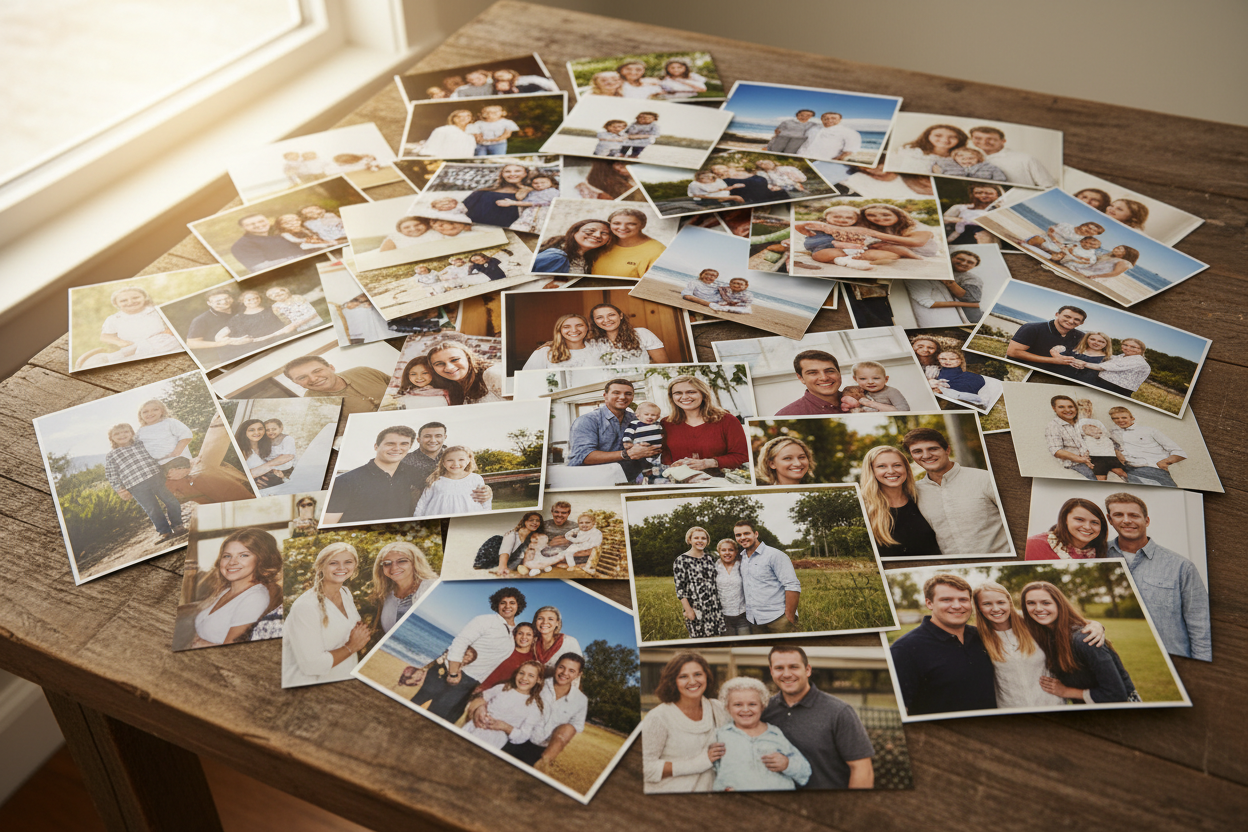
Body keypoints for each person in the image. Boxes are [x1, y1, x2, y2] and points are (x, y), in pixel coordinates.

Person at [1104, 493, 1211, 661]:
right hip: (1116, 661)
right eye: (1118, 515)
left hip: (1174, 661)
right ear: (1109, 520)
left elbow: (1201, 627)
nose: (1126, 520)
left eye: (1133, 515)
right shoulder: (1095, 554)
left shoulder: (1181, 566)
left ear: (1146, 520)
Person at [762, 646, 876, 789]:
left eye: (793, 667)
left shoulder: (839, 712)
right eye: (779, 668)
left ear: (808, 670)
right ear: (771, 671)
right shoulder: (763, 710)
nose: (786, 674)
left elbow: (862, 769)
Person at [889, 573, 997, 715]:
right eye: (947, 600)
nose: (957, 606)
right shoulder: (905, 649)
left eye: (963, 599)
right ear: (929, 603)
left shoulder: (984, 637)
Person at [1020, 581, 1138, 703]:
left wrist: (1066, 691)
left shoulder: (1085, 640)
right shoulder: (1046, 635)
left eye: (1046, 603)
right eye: (1031, 603)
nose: (1038, 608)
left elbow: (1116, 694)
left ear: (1059, 605)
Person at [902, 428, 1010, 556]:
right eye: (917, 451)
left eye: (933, 448)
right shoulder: (914, 492)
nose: (926, 455)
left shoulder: (985, 479)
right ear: (912, 456)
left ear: (947, 450)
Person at [281, 542, 371, 687]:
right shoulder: (306, 606)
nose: (342, 568)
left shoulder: (345, 593)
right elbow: (312, 665)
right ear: (321, 567)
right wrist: (352, 646)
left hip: (342, 678)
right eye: (333, 563)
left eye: (348, 562)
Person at [640, 652, 728, 794]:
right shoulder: (658, 717)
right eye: (683, 676)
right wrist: (700, 763)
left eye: (698, 674)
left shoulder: (718, 708)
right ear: (673, 681)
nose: (692, 681)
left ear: (707, 676)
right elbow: (646, 768)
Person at [971, 582, 1066, 708]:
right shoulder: (977, 637)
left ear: (1009, 602)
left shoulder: (1033, 623)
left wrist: (1095, 625)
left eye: (1001, 602)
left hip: (1052, 705)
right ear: (978, 607)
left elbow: (1068, 624)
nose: (995, 608)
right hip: (1011, 712)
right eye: (987, 604)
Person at [712, 676, 812, 792]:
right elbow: (713, 773)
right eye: (738, 705)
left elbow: (805, 771)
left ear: (762, 706)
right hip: (739, 804)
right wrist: (722, 789)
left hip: (777, 803)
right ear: (727, 708)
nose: (745, 709)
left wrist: (787, 764)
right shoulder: (721, 736)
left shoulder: (774, 734)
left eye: (752, 704)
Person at [188, 529, 282, 649]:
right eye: (227, 556)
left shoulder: (255, 598)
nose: (232, 562)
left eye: (243, 555)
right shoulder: (225, 591)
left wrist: (203, 644)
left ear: (261, 560)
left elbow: (233, 649)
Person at [501, 652, 588, 771]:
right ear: (556, 667)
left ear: (578, 674)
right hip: (516, 739)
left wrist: (554, 747)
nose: (564, 673)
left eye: (571, 671)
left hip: (541, 749)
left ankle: (545, 761)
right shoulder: (538, 683)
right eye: (561, 667)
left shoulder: (581, 700)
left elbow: (574, 728)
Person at [322, 426, 426, 524]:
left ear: (410, 447)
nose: (397, 448)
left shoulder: (411, 473)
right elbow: (328, 524)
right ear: (376, 446)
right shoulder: (345, 482)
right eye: (390, 444)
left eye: (404, 444)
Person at [103, 423, 185, 541]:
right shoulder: (112, 455)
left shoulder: (142, 444)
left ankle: (178, 525)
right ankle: (164, 531)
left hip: (156, 477)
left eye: (126, 432)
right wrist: (119, 489)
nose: (122, 435)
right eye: (117, 434)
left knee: (171, 501)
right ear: (111, 438)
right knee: (152, 509)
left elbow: (157, 452)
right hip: (135, 486)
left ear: (132, 433)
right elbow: (111, 474)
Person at [444, 587, 527, 700]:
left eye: (512, 603)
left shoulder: (516, 632)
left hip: (473, 683)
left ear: (518, 606)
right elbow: (461, 641)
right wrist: (453, 673)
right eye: (503, 603)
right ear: (497, 604)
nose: (507, 606)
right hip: (458, 674)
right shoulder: (485, 620)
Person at [858, 445, 940, 558]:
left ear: (906, 468)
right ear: (871, 471)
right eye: (882, 466)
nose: (891, 471)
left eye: (897, 465)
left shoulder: (923, 499)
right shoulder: (862, 508)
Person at [660, 375, 749, 477]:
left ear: (703, 394)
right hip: (684, 483)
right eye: (678, 393)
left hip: (722, 481)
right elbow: (666, 459)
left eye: (691, 392)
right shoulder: (666, 423)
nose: (684, 397)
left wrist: (708, 463)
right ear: (672, 397)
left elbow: (742, 457)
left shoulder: (727, 420)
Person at [567, 379, 657, 479]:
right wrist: (627, 454)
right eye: (616, 393)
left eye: (628, 394)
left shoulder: (636, 420)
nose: (622, 397)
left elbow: (647, 448)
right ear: (605, 396)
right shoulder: (587, 421)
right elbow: (583, 456)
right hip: (594, 481)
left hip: (629, 481)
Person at [84, 286, 179, 367]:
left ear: (144, 297)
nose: (130, 302)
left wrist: (169, 331)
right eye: (123, 300)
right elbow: (105, 336)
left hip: (161, 341)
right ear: (116, 304)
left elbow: (174, 323)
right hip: (132, 346)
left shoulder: (155, 311)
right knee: (126, 356)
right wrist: (120, 342)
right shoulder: (114, 318)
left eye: (136, 298)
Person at [461, 661, 547, 749]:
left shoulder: (534, 707)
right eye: (521, 673)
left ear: (538, 679)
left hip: (493, 741)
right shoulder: (502, 688)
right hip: (473, 728)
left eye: (531, 675)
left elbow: (523, 736)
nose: (524, 678)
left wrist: (506, 727)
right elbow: (481, 699)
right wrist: (480, 708)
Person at [735, 520, 800, 634]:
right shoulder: (742, 558)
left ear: (756, 534)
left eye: (746, 533)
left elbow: (792, 586)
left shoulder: (775, 555)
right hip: (754, 621)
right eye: (738, 535)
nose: (742, 537)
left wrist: (789, 617)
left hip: (778, 619)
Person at [283, 355, 389, 416]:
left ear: (331, 368)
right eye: (302, 377)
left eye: (317, 371)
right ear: (296, 383)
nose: (313, 379)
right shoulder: (311, 404)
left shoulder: (363, 371)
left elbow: (402, 386)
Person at [370, 541, 437, 635]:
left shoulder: (432, 588)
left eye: (402, 561)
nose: (394, 568)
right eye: (387, 563)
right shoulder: (387, 595)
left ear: (415, 562)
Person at [1107, 406, 1186, 486]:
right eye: (1115, 418)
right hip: (1129, 469)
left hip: (1152, 469)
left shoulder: (1148, 430)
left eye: (1124, 417)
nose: (1120, 420)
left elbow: (1179, 452)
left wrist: (1163, 462)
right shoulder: (1112, 432)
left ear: (1132, 418)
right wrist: (1117, 452)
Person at [1006, 304, 1087, 378]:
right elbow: (1013, 352)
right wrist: (1053, 360)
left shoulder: (1081, 336)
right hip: (1021, 372)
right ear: (1057, 314)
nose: (1071, 321)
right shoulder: (1032, 328)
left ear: (1081, 322)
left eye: (1076, 319)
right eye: (1067, 316)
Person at [674, 527, 726, 639]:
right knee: (699, 641)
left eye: (703, 538)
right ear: (689, 540)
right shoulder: (681, 560)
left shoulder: (711, 558)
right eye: (696, 538)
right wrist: (688, 611)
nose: (700, 540)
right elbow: (680, 588)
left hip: (714, 608)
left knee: (717, 640)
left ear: (707, 541)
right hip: (696, 608)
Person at [413, 445, 491, 517]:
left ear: (468, 461)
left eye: (461, 459)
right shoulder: (435, 480)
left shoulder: (476, 479)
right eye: (450, 460)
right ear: (443, 463)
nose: (455, 464)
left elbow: (485, 502)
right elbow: (422, 504)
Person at [775, 350, 859, 416]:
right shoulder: (788, 414)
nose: (824, 378)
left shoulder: (865, 398)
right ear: (801, 378)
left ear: (839, 373)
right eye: (812, 372)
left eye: (829, 371)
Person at [968, 125, 1057, 188]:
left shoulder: (1025, 159)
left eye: (990, 139)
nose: (984, 142)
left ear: (1003, 141)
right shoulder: (967, 159)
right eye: (978, 138)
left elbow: (1048, 185)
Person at [591, 208, 667, 279]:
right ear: (610, 224)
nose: (623, 228)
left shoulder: (658, 251)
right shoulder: (603, 242)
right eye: (616, 223)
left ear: (642, 225)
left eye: (631, 224)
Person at [185, 290, 254, 366]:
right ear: (209, 303)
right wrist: (221, 343)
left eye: (227, 298)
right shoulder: (201, 320)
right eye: (218, 301)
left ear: (231, 299)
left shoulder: (242, 308)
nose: (224, 302)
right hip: (225, 359)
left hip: (251, 348)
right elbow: (191, 343)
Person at [1025, 497, 1109, 560]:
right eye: (1079, 519)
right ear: (1065, 519)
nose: (1087, 527)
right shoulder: (1033, 545)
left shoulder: (1104, 551)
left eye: (1094, 522)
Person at [588, 301, 668, 365]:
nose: (606, 320)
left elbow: (663, 364)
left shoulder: (642, 333)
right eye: (599, 317)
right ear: (594, 321)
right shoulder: (593, 343)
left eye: (611, 315)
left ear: (621, 316)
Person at [426, 340, 505, 404]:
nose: (449, 368)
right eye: (439, 364)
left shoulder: (492, 374)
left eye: (455, 360)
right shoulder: (442, 386)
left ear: (468, 358)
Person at [521, 313, 604, 370]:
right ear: (559, 330)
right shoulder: (545, 352)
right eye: (566, 327)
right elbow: (528, 380)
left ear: (587, 328)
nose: (574, 330)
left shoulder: (598, 349)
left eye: (579, 325)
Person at [1044, 394, 1098, 481]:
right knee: (1094, 479)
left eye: (1070, 406)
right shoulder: (1053, 426)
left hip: (1091, 458)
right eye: (1061, 407)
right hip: (1076, 464)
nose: (1067, 410)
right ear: (1054, 408)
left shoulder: (1080, 423)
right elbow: (1057, 451)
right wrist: (1081, 459)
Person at [1073, 399, 1129, 481]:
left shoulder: (1097, 422)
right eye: (1084, 409)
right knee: (1101, 476)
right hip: (1095, 455)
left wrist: (1117, 449)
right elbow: (1084, 435)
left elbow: (1107, 435)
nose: (1087, 411)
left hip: (1109, 453)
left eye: (1089, 409)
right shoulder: (1079, 423)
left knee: (1121, 472)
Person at [229, 213, 305, 273]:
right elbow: (260, 267)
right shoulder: (241, 245)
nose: (258, 225)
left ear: (268, 221)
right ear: (243, 228)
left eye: (261, 221)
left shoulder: (282, 232)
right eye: (251, 224)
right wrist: (299, 257)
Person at [463, 163, 533, 227]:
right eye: (507, 172)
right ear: (502, 174)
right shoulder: (484, 191)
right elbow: (462, 209)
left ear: (525, 174)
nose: (512, 174)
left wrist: (524, 188)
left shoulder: (532, 193)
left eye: (517, 171)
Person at [534, 219, 613, 275]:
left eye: (604, 233)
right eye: (591, 230)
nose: (597, 235)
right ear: (574, 232)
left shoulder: (587, 259)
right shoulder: (556, 257)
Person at [1079, 337, 1152, 397]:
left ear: (1141, 350)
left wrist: (1083, 363)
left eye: (1133, 347)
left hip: (1116, 390)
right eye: (1125, 345)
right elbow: (1105, 358)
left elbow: (1102, 367)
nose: (1128, 348)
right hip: (1103, 385)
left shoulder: (1138, 361)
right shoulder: (1121, 356)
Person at [894, 124, 968, 173]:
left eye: (952, 137)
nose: (945, 140)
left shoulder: (963, 158)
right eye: (938, 135)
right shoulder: (910, 152)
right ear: (928, 136)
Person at [491, 511, 544, 577]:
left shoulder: (533, 536)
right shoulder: (512, 535)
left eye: (537, 521)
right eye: (531, 520)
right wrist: (503, 567)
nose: (535, 523)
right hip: (508, 564)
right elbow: (505, 552)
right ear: (525, 522)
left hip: (521, 565)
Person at [713, 539, 749, 636]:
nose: (727, 553)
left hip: (742, 614)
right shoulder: (714, 567)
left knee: (746, 644)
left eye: (731, 550)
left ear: (736, 552)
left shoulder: (742, 565)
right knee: (731, 647)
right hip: (724, 617)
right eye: (723, 550)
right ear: (719, 552)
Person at [234, 419, 284, 489]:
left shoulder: (268, 447)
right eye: (252, 430)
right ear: (244, 432)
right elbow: (236, 476)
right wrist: (251, 484)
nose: (257, 432)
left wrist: (279, 474)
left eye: (260, 429)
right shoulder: (241, 451)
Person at [622, 401, 664, 480]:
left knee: (658, 465)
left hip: (657, 450)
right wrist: (627, 442)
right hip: (642, 449)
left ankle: (657, 477)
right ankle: (645, 477)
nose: (650, 417)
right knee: (644, 465)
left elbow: (662, 434)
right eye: (646, 414)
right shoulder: (635, 424)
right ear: (638, 416)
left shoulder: (658, 425)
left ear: (658, 416)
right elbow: (628, 433)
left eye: (653, 415)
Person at [796, 112, 861, 161]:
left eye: (833, 118)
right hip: (800, 156)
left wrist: (834, 161)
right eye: (826, 118)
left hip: (823, 160)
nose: (829, 120)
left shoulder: (849, 132)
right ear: (821, 119)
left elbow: (849, 151)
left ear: (840, 119)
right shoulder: (813, 128)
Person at [932, 146, 1006, 180]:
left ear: (979, 159)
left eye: (971, 158)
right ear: (954, 159)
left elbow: (1000, 178)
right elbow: (936, 170)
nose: (967, 160)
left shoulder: (989, 167)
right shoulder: (948, 165)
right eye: (963, 158)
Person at [1072, 245, 1140, 281]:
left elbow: (1115, 273)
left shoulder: (1124, 262)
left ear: (1126, 254)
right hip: (1090, 270)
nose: (1115, 249)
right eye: (1117, 247)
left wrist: (1096, 276)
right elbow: (1095, 259)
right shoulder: (1109, 256)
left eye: (1119, 249)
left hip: (1099, 276)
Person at [379, 216, 444, 251]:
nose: (413, 229)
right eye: (406, 227)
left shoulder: (434, 232)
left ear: (425, 225)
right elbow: (384, 255)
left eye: (418, 224)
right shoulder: (396, 238)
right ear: (400, 231)